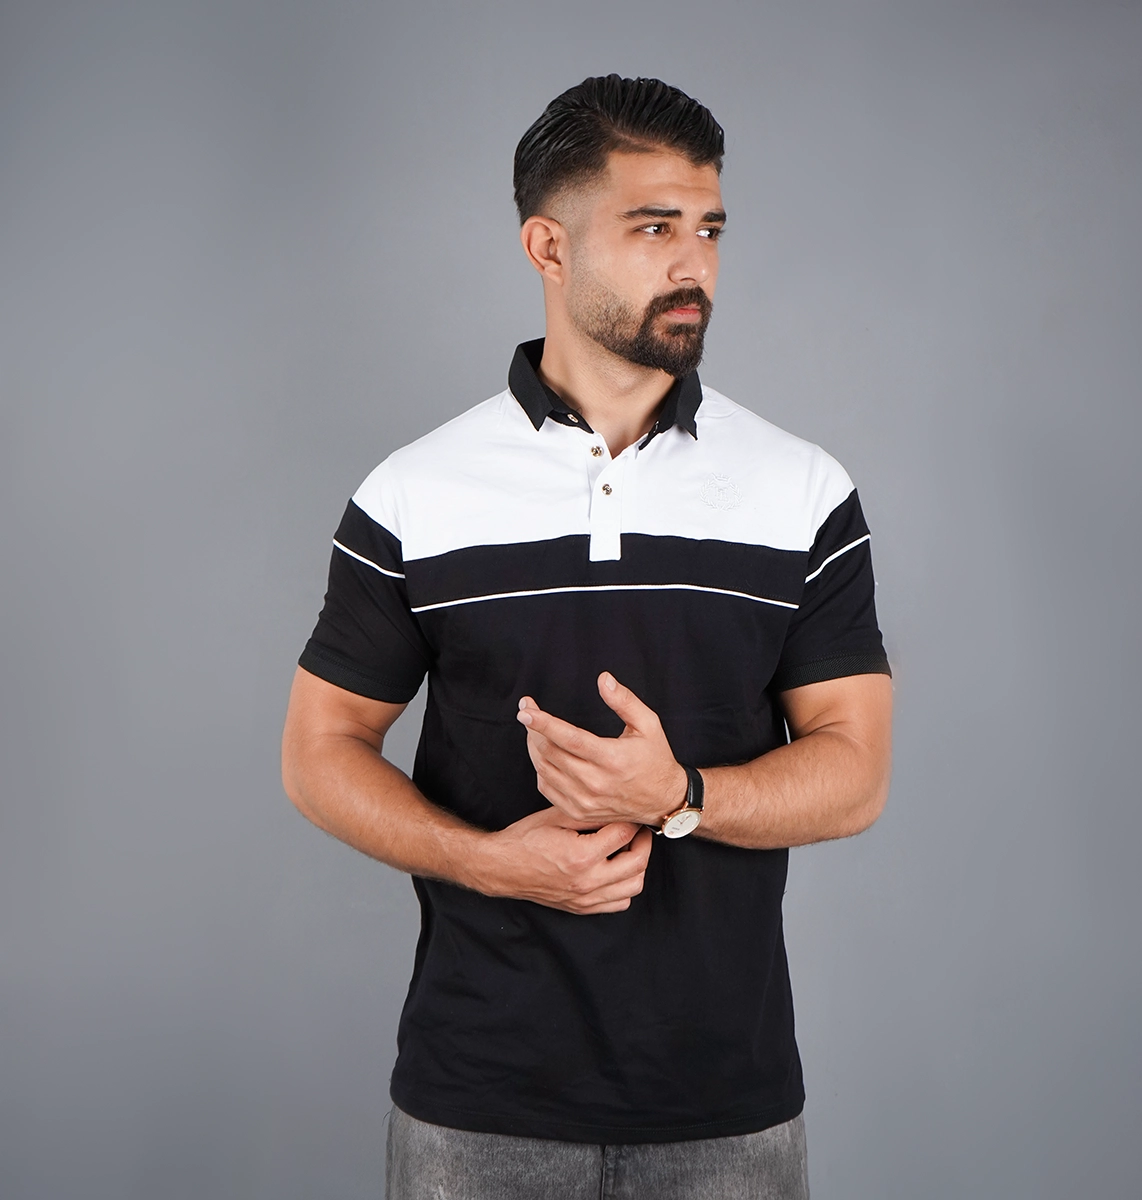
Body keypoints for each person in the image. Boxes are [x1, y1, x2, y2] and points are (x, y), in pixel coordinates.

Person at [281, 74, 892, 1200]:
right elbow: (319, 752)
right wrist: (486, 861)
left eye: (709, 229)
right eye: (654, 228)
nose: (694, 263)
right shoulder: (415, 493)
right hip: (477, 1105)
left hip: (728, 1109)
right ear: (547, 247)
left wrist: (680, 796)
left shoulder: (802, 490)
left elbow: (857, 774)